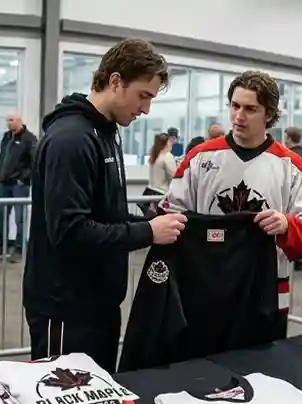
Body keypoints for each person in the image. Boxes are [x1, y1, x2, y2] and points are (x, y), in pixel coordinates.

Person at [22, 38, 186, 372]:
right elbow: (70, 231)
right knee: (63, 401)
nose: (146, 109)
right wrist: (147, 232)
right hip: (66, 308)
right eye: (143, 96)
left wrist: (152, 221)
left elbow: (106, 214)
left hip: (99, 304)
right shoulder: (71, 140)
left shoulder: (107, 132)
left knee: (101, 399)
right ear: (115, 81)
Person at [159, 70, 302, 292]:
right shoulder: (199, 157)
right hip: (205, 285)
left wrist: (287, 226)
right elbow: (171, 213)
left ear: (269, 114)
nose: (239, 116)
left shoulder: (292, 166)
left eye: (250, 109)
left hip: (267, 288)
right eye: (235, 106)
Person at [0, 112, 36, 261]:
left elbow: (35, 161)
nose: (9, 123)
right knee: (1, 216)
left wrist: (23, 178)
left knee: (20, 218)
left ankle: (19, 248)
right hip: (4, 183)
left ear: (19, 121)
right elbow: (2, 157)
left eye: (12, 120)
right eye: (7, 120)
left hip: (19, 185)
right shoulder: (6, 137)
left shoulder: (29, 138)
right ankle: (2, 246)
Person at [145, 132, 176, 211]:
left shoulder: (155, 155)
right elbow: (174, 177)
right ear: (166, 143)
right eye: (170, 142)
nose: (172, 144)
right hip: (161, 194)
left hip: (150, 192)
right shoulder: (167, 156)